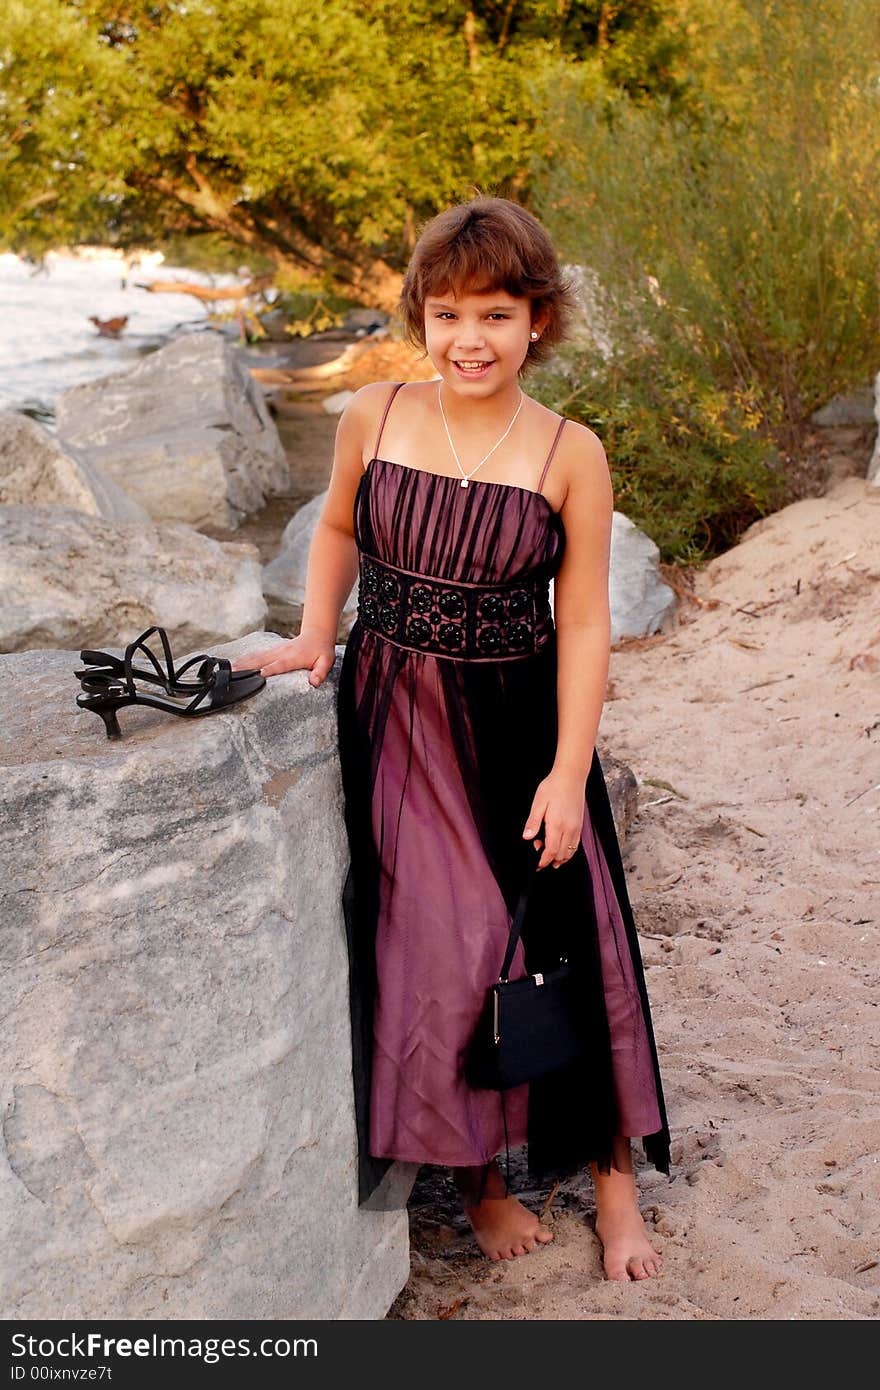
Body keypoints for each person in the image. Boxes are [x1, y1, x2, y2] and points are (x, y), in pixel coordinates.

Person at [234, 196, 671, 1281]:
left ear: (538, 320)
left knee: (569, 931)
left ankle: (613, 1187)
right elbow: (337, 526)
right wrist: (311, 634)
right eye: (445, 314)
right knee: (445, 942)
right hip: (395, 714)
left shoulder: (572, 451)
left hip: (520, 719)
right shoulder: (371, 416)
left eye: (494, 313)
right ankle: (480, 1181)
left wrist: (569, 772)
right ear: (419, 319)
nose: (467, 339)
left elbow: (580, 619)